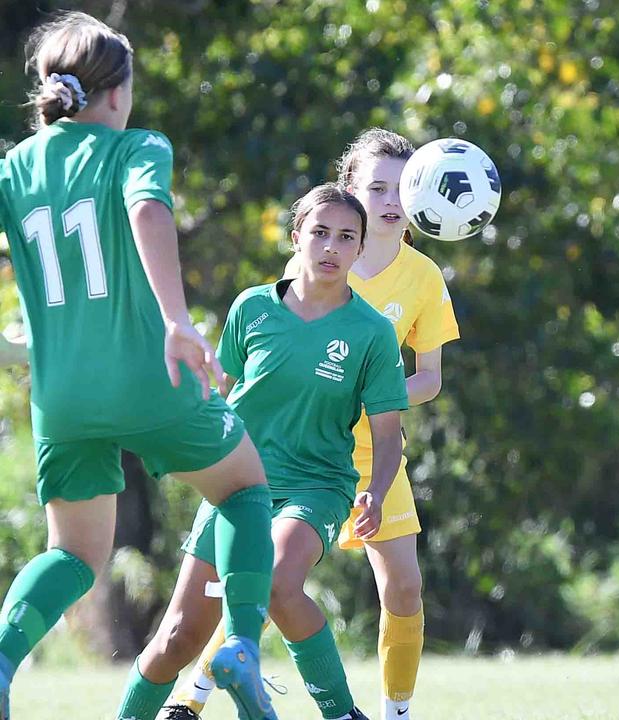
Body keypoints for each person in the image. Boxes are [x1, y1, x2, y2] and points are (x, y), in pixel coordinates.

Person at [0, 12, 277, 718]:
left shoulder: (14, 167)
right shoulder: (136, 148)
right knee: (245, 490)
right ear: (117, 93)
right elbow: (147, 212)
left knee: (73, 557)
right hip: (149, 379)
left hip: (61, 395)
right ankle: (241, 645)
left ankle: (1, 660)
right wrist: (179, 322)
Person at [165, 129, 459, 720]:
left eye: (402, 187)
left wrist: (372, 396)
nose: (390, 198)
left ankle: (396, 712)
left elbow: (430, 377)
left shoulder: (424, 277)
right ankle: (190, 698)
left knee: (403, 588)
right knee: (260, 577)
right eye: (376, 186)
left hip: (376, 450)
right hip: (292, 451)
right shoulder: (317, 260)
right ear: (349, 191)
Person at [115, 184, 409, 720]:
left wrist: (376, 491)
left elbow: (388, 433)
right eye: (319, 232)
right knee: (179, 636)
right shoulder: (251, 308)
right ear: (296, 236)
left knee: (277, 582)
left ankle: (343, 714)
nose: (330, 247)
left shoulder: (371, 332)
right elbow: (218, 397)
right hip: (236, 486)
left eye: (346, 237)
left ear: (360, 249)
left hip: (315, 487)